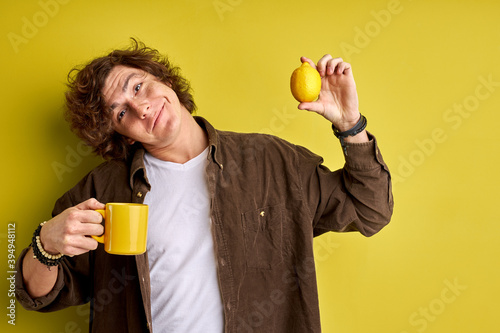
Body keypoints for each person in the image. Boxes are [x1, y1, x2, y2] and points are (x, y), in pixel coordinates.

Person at [15, 39, 394, 332]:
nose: (140, 108)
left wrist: (350, 125)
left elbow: (370, 210)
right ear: (121, 134)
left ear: (164, 79)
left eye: (137, 87)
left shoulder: (272, 162)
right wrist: (44, 245)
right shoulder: (102, 191)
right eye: (120, 113)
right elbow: (35, 295)